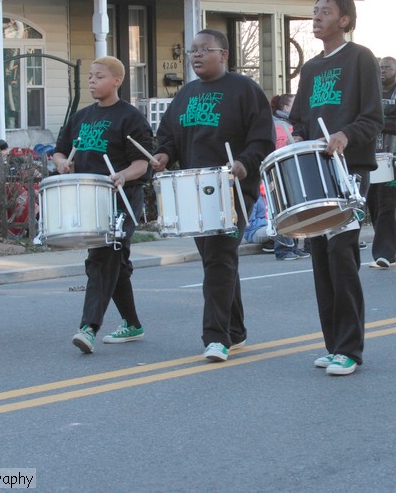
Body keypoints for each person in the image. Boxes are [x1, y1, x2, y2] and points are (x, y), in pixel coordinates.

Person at [153, 29, 275, 361]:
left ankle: (215, 337)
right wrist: (163, 155)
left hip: (232, 188)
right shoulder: (186, 94)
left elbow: (263, 139)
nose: (195, 55)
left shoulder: (245, 90)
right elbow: (168, 136)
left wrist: (244, 163)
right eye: (192, 50)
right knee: (216, 261)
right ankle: (235, 331)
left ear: (223, 54)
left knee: (220, 258)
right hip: (193, 189)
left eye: (204, 49)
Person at [288, 0, 382, 376]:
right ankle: (332, 344)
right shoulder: (310, 69)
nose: (317, 18)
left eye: (325, 12)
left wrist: (344, 136)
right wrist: (296, 139)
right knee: (321, 259)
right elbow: (299, 121)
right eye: (314, 12)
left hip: (349, 170)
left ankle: (350, 349)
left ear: (344, 19)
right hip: (315, 170)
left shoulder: (361, 58)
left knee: (342, 256)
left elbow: (373, 118)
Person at [52, 56, 153, 353]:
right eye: (90, 77)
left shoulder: (130, 117)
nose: (92, 81)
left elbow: (142, 162)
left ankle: (89, 327)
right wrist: (61, 164)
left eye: (99, 76)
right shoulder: (81, 117)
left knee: (102, 258)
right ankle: (132, 324)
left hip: (121, 199)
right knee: (115, 262)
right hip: (88, 199)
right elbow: (59, 151)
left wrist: (122, 174)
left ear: (117, 80)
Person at [366, 56, 396, 268]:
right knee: (374, 204)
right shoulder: (369, 91)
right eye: (380, 68)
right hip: (370, 158)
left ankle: (385, 253)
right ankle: (383, 247)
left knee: (389, 204)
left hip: (395, 159)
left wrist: (378, 123)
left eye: (388, 67)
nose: (383, 71)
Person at [266, 94, 310, 260]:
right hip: (280, 170)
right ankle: (284, 248)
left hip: (288, 168)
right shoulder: (279, 124)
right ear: (286, 107)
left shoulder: (289, 123)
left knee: (293, 208)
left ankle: (292, 245)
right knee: (283, 208)